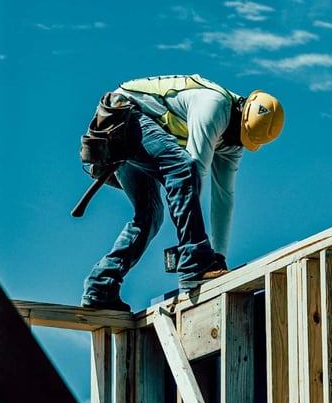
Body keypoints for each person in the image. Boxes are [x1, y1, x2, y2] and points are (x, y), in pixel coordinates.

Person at [80, 73, 285, 311]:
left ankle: (100, 286)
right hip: (122, 117)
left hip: (137, 134)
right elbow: (193, 171)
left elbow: (224, 198)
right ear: (240, 112)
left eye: (240, 141)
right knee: (182, 166)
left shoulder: (233, 142)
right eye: (234, 136)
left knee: (149, 217)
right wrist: (196, 255)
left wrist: (219, 257)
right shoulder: (214, 106)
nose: (231, 143)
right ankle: (194, 262)